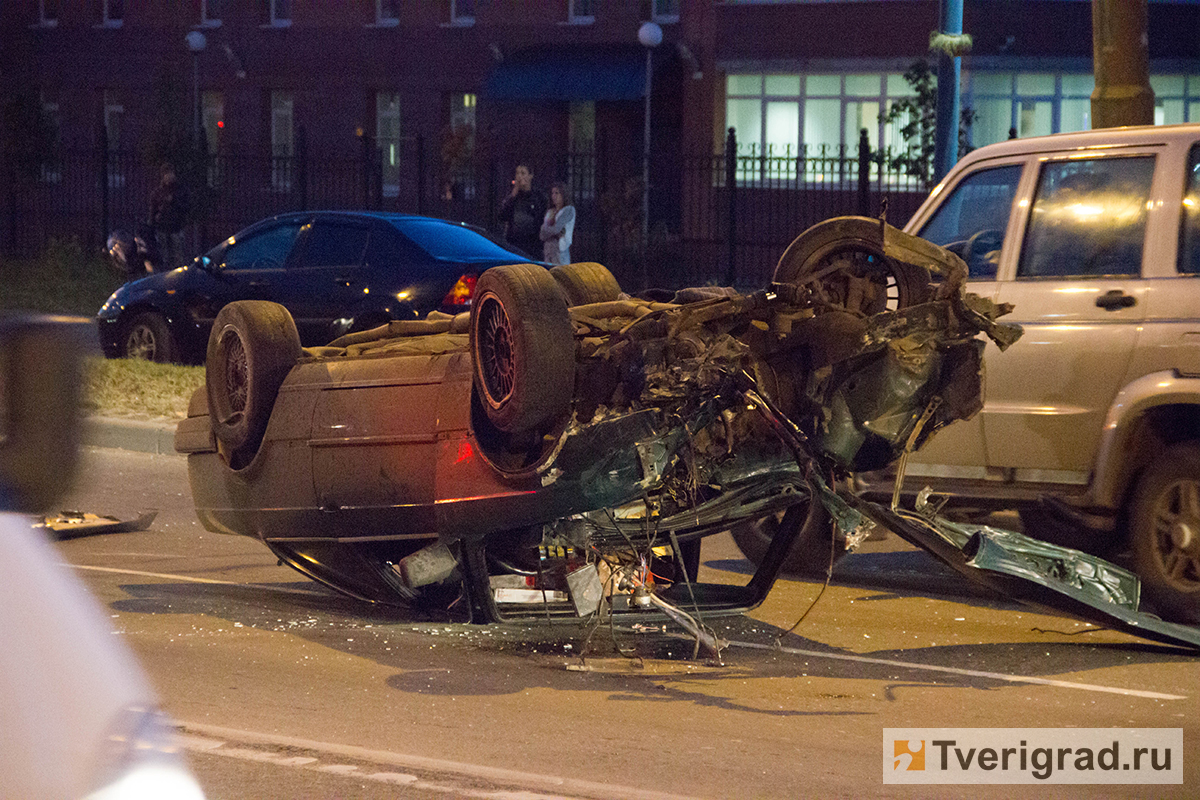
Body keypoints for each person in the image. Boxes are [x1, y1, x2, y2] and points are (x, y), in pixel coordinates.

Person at [497, 163, 545, 259]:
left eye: (523, 173)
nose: (519, 177)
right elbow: (502, 216)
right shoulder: (512, 196)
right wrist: (513, 195)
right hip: (514, 242)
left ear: (530, 176)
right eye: (517, 173)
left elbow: (540, 217)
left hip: (532, 244)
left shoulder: (538, 196)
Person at [149, 162, 189, 269]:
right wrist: (152, 224)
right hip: (162, 227)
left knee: (178, 256)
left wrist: (174, 201)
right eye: (166, 173)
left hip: (176, 227)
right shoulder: (158, 192)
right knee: (164, 256)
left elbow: (186, 207)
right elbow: (153, 210)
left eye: (171, 173)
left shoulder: (180, 191)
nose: (169, 176)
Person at [539, 182, 575, 266]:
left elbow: (556, 229)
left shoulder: (568, 210)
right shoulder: (550, 211)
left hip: (560, 250)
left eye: (557, 193)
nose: (554, 196)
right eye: (552, 193)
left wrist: (549, 230)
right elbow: (542, 234)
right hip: (548, 250)